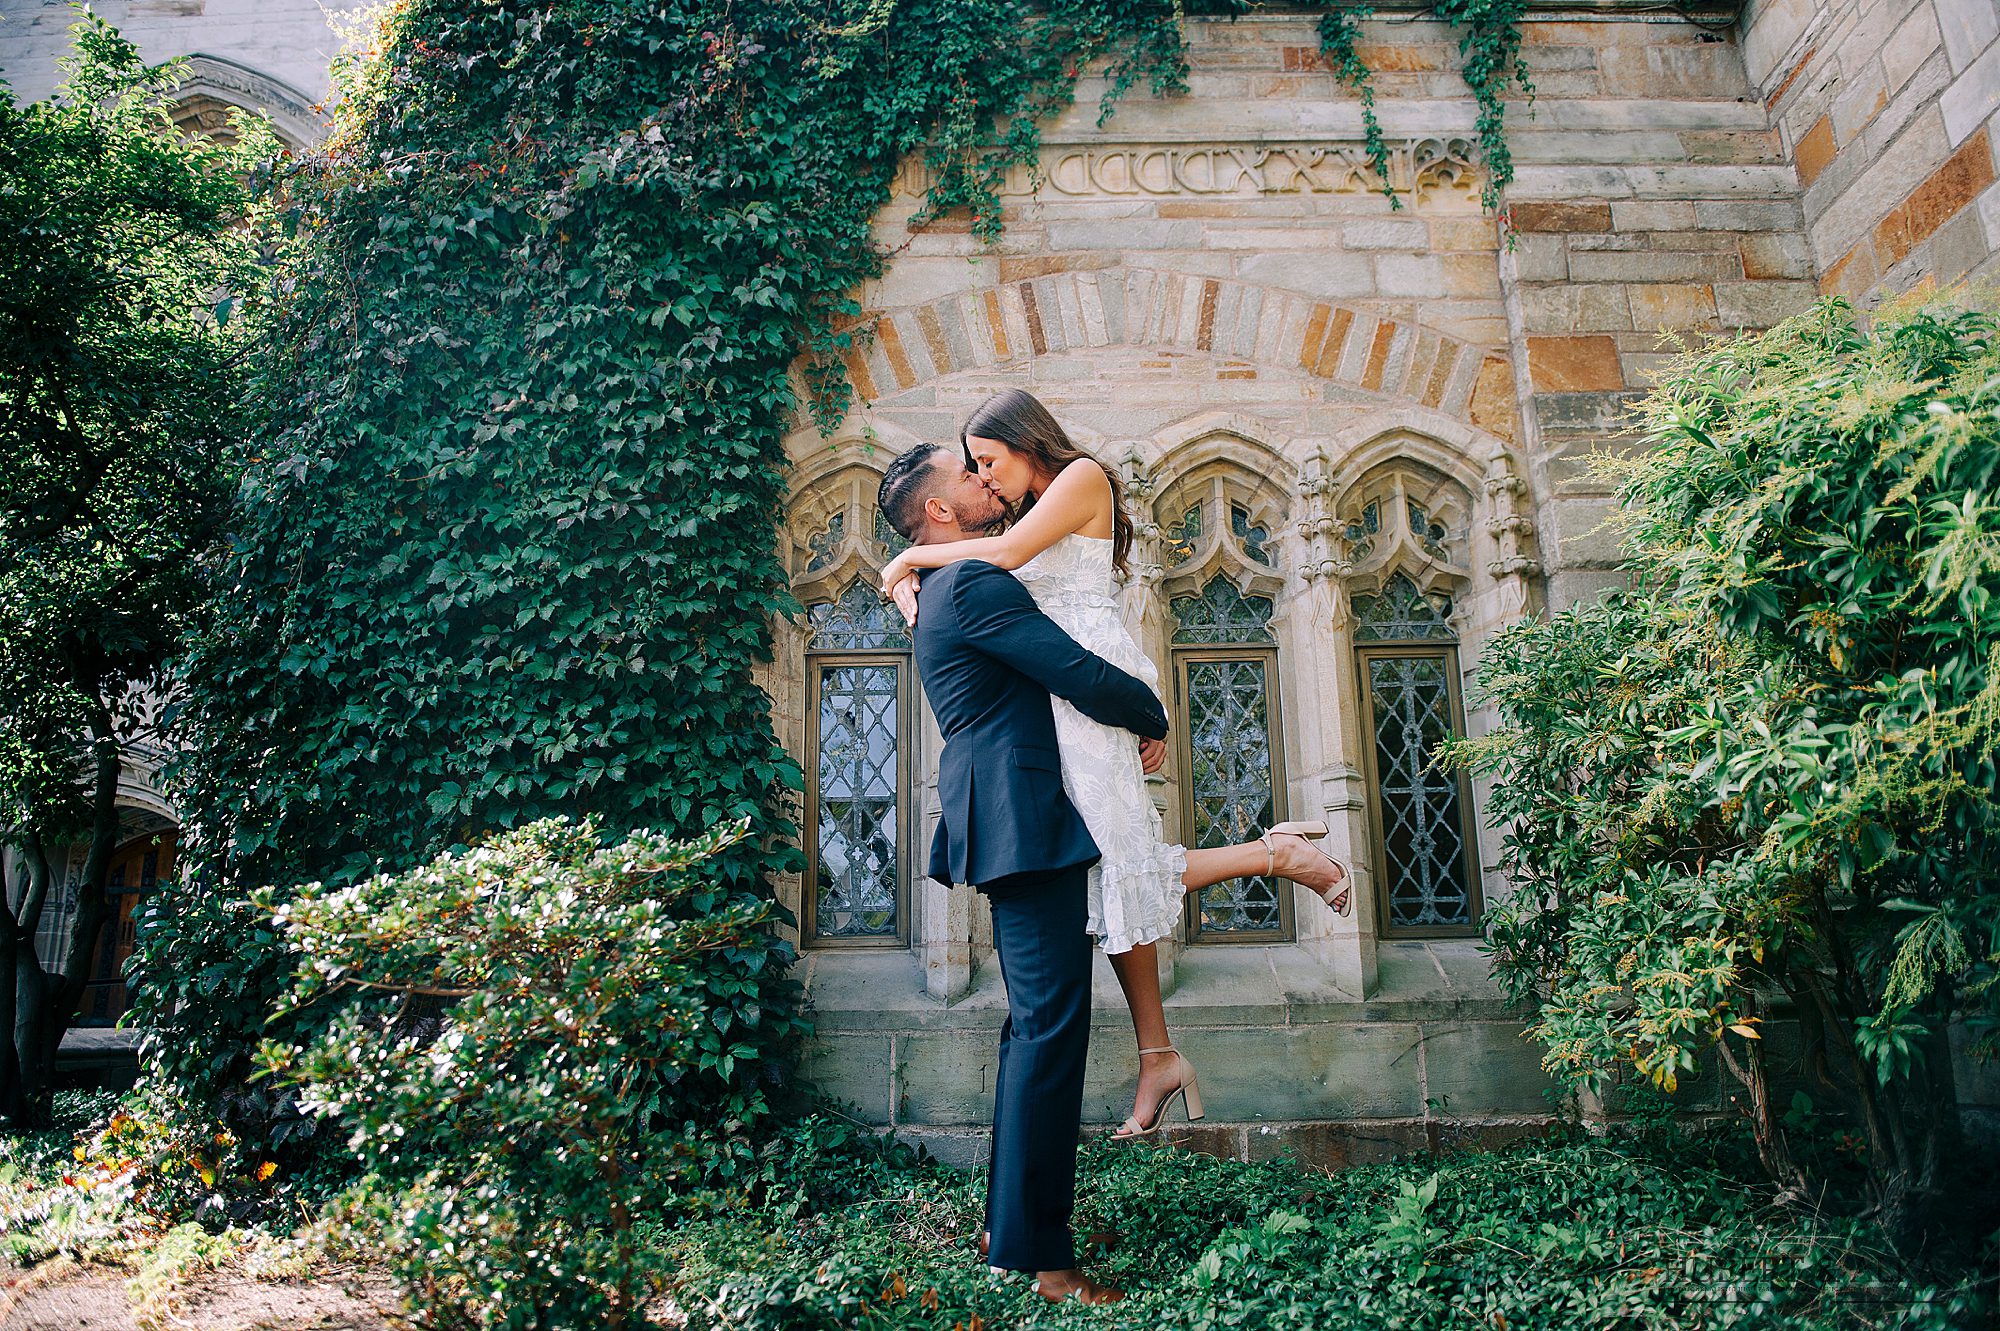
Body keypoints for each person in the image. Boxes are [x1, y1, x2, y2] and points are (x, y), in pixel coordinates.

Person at [880, 389, 1350, 1140]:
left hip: (1088, 681)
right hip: (1051, 692)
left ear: (1026, 441)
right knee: (1109, 870)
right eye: (972, 470)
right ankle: (1157, 1052)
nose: (986, 478)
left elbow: (1000, 557)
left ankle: (1278, 854)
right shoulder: (1020, 511)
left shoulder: (1081, 478)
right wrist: (909, 572)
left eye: (989, 461)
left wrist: (906, 556)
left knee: (1124, 859)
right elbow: (985, 567)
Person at [876, 443, 1165, 1305]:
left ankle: (1015, 1230)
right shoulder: (971, 583)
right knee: (1049, 1033)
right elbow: (1069, 670)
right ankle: (1044, 1261)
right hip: (1024, 815)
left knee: (1032, 1029)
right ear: (937, 512)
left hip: (1006, 812)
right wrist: (1150, 710)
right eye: (967, 477)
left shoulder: (938, 586)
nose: (984, 483)